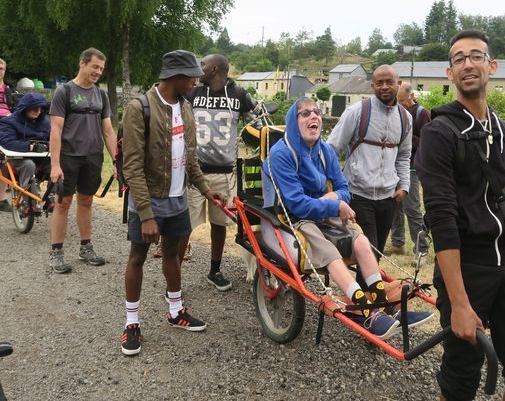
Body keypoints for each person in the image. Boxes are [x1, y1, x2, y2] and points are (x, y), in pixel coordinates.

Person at [415, 30, 505, 401]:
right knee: (460, 380)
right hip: (466, 267)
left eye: (476, 56)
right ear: (450, 73)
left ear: (491, 67)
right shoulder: (438, 133)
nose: (467, 64)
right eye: (458, 59)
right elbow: (441, 219)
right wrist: (459, 304)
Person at [264, 98, 431, 340]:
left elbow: (344, 187)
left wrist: (334, 199)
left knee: (361, 241)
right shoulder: (282, 154)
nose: (314, 117)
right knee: (330, 251)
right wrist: (333, 202)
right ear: (293, 121)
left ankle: (384, 306)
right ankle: (366, 313)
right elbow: (296, 203)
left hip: (324, 210)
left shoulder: (324, 151)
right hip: (295, 218)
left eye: (317, 112)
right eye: (305, 114)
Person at [120, 50, 225, 356]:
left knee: (172, 255)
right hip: (148, 199)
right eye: (192, 76)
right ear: (175, 77)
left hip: (178, 199)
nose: (196, 81)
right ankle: (131, 324)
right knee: (137, 257)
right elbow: (133, 167)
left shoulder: (186, 108)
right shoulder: (139, 108)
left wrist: (205, 190)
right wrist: (147, 213)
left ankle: (176, 311)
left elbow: (190, 159)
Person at [183, 53, 259, 291]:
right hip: (195, 171)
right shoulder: (192, 93)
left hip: (225, 172)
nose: (199, 69)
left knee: (219, 224)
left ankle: (215, 270)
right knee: (184, 226)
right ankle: (174, 281)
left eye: (202, 65)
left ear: (214, 69)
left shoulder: (239, 95)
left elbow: (256, 124)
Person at [327, 65, 411, 264]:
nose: (384, 87)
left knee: (377, 253)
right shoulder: (357, 112)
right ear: (372, 86)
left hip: (389, 198)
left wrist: (405, 186)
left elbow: (404, 155)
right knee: (369, 255)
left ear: (398, 85)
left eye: (389, 82)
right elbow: (332, 149)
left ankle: (365, 292)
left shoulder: (405, 118)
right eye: (379, 83)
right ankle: (367, 294)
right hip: (358, 196)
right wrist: (336, 185)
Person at [48, 48, 117, 273]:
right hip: (68, 156)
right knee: (63, 202)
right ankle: (56, 252)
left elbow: (108, 131)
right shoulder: (64, 92)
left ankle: (85, 248)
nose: (98, 72)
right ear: (82, 63)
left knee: (86, 201)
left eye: (101, 69)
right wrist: (55, 165)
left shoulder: (101, 95)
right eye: (94, 67)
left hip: (93, 156)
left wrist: (117, 161)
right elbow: (56, 130)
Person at [388, 83, 431, 255]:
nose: (399, 105)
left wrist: (405, 137)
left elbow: (427, 143)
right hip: (392, 166)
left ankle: (421, 249)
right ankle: (398, 244)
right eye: (396, 102)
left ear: (411, 96)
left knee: (411, 208)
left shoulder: (423, 114)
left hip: (412, 167)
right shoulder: (395, 112)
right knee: (394, 207)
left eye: (402, 101)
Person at [0, 92, 51, 189]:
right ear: (25, 108)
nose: (38, 111)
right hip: (15, 160)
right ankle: (26, 197)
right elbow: (7, 142)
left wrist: (47, 146)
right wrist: (30, 147)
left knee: (56, 164)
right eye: (35, 108)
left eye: (41, 108)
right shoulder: (8, 122)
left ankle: (51, 196)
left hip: (41, 159)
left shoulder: (45, 123)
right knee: (28, 165)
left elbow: (53, 140)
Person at [0, 57, 17, 212]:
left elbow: (17, 106)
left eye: (1, 68)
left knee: (12, 155)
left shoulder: (10, 88)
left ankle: (7, 196)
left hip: (9, 121)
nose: (0, 71)